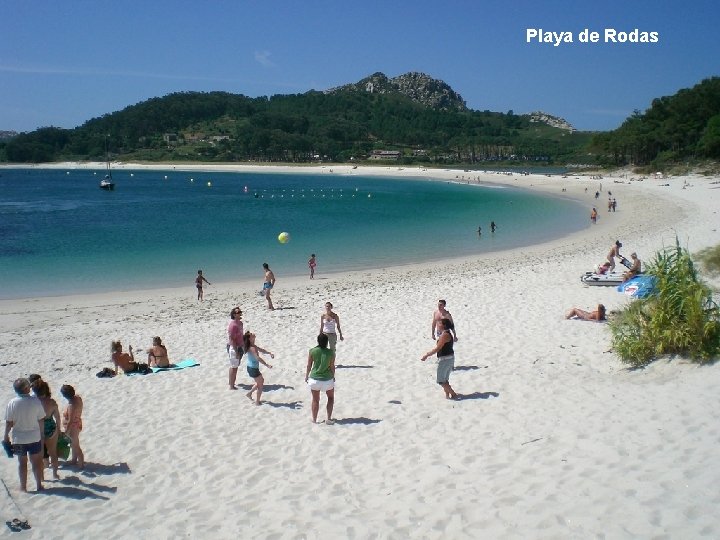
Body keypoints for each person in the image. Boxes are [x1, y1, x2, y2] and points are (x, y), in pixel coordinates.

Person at [4, 378, 45, 492]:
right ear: (27, 389)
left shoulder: (12, 403)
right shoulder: (35, 401)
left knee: (22, 463)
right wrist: (41, 434)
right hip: (34, 436)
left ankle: (23, 487)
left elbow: (9, 423)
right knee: (35, 462)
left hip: (19, 438)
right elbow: (41, 419)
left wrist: (5, 436)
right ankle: (39, 485)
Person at [420, 319, 459, 400]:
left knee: (441, 381)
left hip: (445, 359)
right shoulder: (445, 333)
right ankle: (447, 395)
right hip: (449, 358)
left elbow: (438, 348)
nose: (438, 325)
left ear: (444, 325)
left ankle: (453, 394)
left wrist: (427, 355)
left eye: (439, 323)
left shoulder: (445, 335)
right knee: (445, 379)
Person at [32, 381, 61, 480]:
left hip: (38, 428)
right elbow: (57, 417)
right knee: (53, 453)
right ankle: (55, 474)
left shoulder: (34, 403)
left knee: (39, 455)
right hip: (50, 427)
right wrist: (59, 429)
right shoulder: (52, 402)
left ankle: (42, 477)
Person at [305, 333, 336, 424]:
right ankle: (328, 418)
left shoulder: (312, 351)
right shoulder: (331, 352)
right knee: (330, 397)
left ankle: (314, 420)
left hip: (314, 379)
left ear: (318, 341)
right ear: (327, 342)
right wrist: (333, 376)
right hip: (327, 379)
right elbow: (332, 366)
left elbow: (309, 365)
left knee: (315, 400)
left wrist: (306, 376)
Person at [243, 331, 274, 405]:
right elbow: (258, 358)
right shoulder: (252, 348)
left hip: (252, 368)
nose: (253, 334)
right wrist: (267, 365)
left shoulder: (254, 346)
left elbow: (261, 350)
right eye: (251, 334)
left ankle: (249, 393)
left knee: (260, 382)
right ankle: (257, 402)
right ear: (250, 338)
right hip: (252, 369)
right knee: (260, 385)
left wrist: (269, 353)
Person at [60, 385, 84, 469]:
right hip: (77, 424)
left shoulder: (71, 405)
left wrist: (66, 432)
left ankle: (81, 464)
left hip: (73, 427)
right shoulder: (78, 398)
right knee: (74, 444)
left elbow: (70, 420)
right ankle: (74, 460)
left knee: (75, 445)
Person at [227, 307, 244, 390]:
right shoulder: (233, 325)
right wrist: (236, 351)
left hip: (240, 346)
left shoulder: (240, 323)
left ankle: (232, 382)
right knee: (234, 366)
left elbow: (241, 335)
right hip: (234, 347)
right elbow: (232, 339)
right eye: (238, 312)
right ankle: (231, 385)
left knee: (236, 365)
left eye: (240, 311)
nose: (240, 313)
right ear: (234, 315)